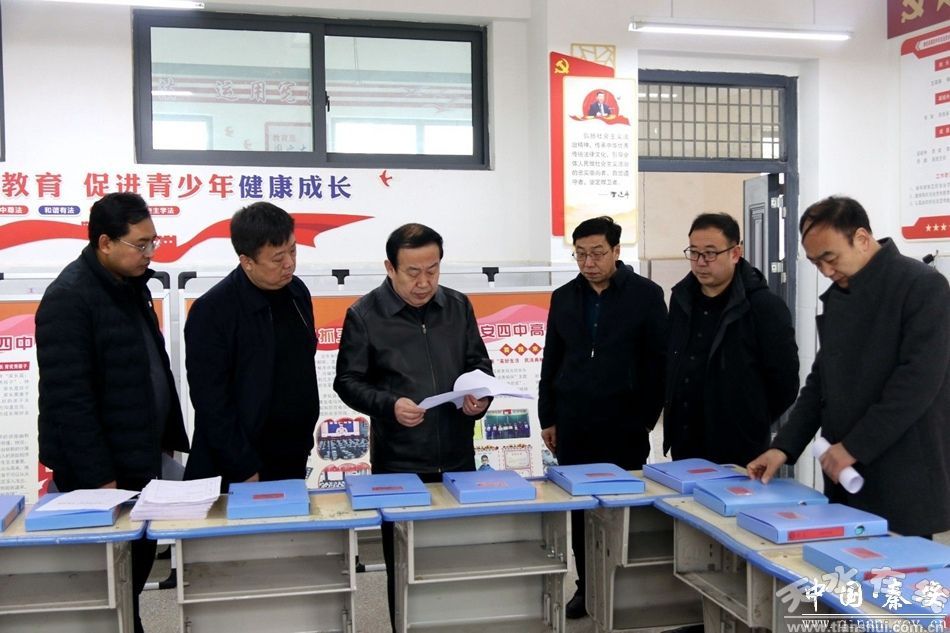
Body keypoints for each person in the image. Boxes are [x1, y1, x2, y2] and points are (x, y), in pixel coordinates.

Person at [748, 196, 950, 538]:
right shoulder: (843, 292)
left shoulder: (922, 286)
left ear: (861, 238)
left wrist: (855, 446)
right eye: (816, 263)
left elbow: (916, 384)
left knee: (894, 567)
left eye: (830, 258)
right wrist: (782, 447)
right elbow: (821, 381)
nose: (826, 271)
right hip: (844, 470)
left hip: (902, 471)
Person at [36, 192, 189, 633]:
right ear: (105, 242)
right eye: (140, 244)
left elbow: (149, 369)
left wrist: (166, 439)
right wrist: (100, 482)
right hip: (101, 478)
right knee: (106, 590)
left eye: (153, 242)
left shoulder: (130, 287)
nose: (150, 252)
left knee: (130, 580)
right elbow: (70, 402)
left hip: (140, 461)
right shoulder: (69, 298)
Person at [334, 222, 493, 632]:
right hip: (400, 464)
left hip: (457, 459)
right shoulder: (365, 315)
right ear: (390, 267)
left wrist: (480, 397)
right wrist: (389, 405)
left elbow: (480, 364)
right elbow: (347, 381)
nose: (424, 283)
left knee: (456, 560)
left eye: (433, 270)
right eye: (413, 272)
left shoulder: (458, 306)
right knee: (406, 568)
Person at [538, 216, 667, 619]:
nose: (588, 262)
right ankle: (587, 588)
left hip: (625, 421)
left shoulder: (646, 295)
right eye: (580, 254)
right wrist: (548, 417)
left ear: (616, 251)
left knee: (622, 508)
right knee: (580, 510)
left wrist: (646, 418)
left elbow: (658, 362)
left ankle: (622, 585)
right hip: (574, 420)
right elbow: (551, 360)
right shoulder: (564, 297)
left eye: (596, 253)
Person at [184, 202, 319, 489]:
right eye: (277, 258)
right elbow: (211, 402)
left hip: (291, 453)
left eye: (293, 250)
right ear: (247, 261)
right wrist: (242, 465)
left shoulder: (297, 292)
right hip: (238, 466)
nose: (289, 263)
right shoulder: (213, 311)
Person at [665, 213, 799, 465]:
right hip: (685, 442)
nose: (700, 262)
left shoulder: (764, 306)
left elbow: (785, 383)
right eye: (694, 252)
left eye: (710, 253)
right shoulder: (681, 299)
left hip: (740, 449)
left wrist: (749, 421)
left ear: (735, 253)